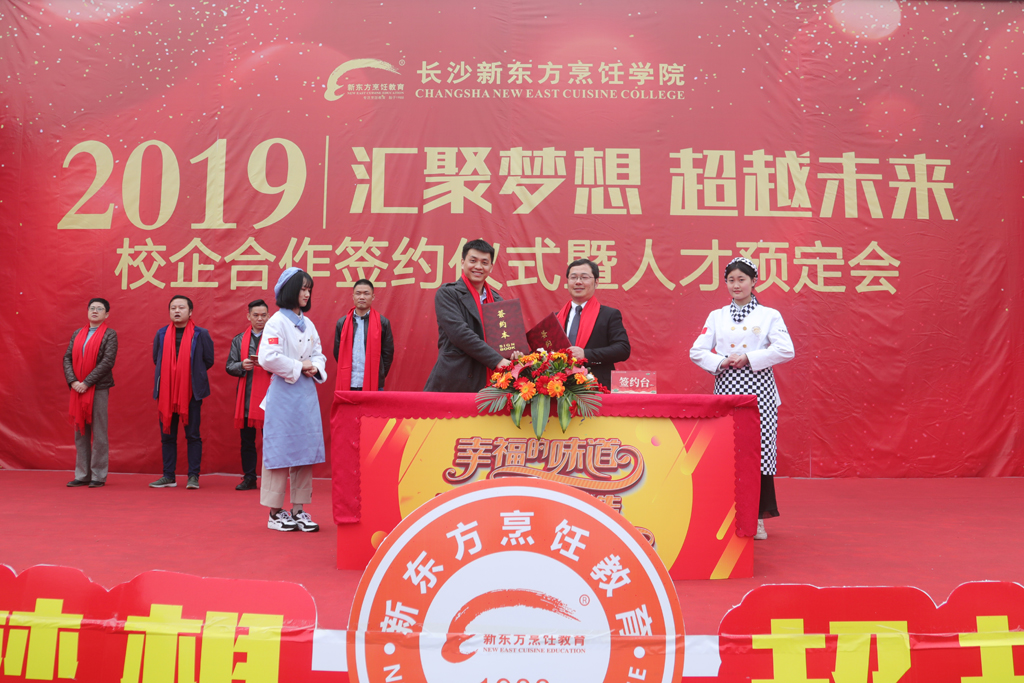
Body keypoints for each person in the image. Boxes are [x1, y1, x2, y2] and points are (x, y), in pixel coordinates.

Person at [690, 257, 794, 540]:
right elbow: (697, 351)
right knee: (728, 451)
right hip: (727, 390)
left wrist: (749, 357)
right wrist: (721, 361)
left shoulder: (769, 315)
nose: (736, 285)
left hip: (759, 393)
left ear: (753, 282)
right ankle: (725, 514)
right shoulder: (717, 316)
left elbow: (786, 349)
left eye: (742, 280)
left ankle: (756, 518)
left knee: (759, 454)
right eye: (731, 280)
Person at [257, 268, 327, 532]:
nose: (306, 294)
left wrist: (315, 367)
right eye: (302, 288)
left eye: (309, 289)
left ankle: (299, 509)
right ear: (290, 290)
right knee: (279, 451)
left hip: (306, 393)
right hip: (283, 394)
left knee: (304, 450)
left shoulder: (308, 323)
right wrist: (300, 366)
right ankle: (275, 513)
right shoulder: (276, 321)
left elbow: (319, 353)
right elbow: (268, 357)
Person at [424, 238, 512, 392]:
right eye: (473, 261)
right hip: (455, 380)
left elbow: (503, 339)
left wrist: (513, 352)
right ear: (462, 262)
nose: (478, 266)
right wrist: (497, 360)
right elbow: (460, 334)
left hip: (491, 383)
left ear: (491, 267)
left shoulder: (497, 301)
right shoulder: (448, 293)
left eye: (484, 262)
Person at [150, 295, 215, 490]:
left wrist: (188, 376)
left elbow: (208, 360)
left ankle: (193, 476)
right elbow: (157, 359)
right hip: (167, 392)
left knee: (193, 435)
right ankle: (168, 476)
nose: (177, 311)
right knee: (167, 435)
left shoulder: (200, 334)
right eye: (173, 308)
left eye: (181, 308)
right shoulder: (161, 334)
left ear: (190, 312)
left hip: (191, 393)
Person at [63, 298, 118, 488]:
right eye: (92, 308)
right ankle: (82, 474)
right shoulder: (78, 333)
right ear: (87, 311)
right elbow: (67, 358)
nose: (95, 311)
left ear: (107, 314)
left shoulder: (110, 334)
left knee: (99, 432)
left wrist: (86, 382)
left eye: (99, 309)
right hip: (78, 387)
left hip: (98, 387)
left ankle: (98, 475)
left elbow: (107, 361)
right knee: (80, 432)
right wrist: (73, 381)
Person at [556, 259, 631, 388]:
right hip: (560, 387)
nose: (578, 282)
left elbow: (622, 349)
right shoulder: (557, 318)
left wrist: (586, 354)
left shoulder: (608, 315)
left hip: (596, 387)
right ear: (567, 282)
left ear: (596, 282)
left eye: (584, 277)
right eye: (573, 277)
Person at [226, 299, 272, 491]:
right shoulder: (239, 340)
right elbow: (229, 366)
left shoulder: (276, 338)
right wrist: (241, 365)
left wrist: (269, 364)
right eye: (256, 315)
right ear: (249, 317)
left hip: (270, 397)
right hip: (246, 398)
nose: (260, 319)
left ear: (269, 316)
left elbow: (287, 365)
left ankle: (271, 480)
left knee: (271, 441)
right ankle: (249, 477)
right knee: (247, 441)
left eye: (263, 315)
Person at [333, 279, 395, 391]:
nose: (362, 297)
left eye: (366, 294)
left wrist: (376, 374)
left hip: (374, 382)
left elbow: (388, 355)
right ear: (353, 296)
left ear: (373, 297)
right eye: (358, 293)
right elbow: (338, 352)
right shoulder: (342, 323)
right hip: (348, 381)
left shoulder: (383, 323)